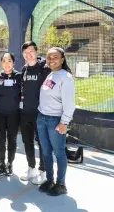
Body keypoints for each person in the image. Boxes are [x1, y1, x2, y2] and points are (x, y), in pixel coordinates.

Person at [37, 47, 75, 196]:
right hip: (42, 118)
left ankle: (61, 184)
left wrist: (64, 123)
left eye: (55, 57)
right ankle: (49, 180)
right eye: (49, 57)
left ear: (62, 59)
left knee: (59, 153)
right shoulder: (51, 74)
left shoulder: (66, 78)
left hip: (55, 121)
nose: (51, 60)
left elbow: (69, 104)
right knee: (46, 152)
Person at [19, 41, 50, 185]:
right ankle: (31, 168)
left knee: (43, 143)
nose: (28, 54)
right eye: (25, 53)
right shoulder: (24, 69)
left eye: (31, 51)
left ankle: (43, 171)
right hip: (25, 113)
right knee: (27, 141)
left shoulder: (45, 69)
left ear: (36, 51)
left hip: (41, 114)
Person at [0, 53, 21, 176]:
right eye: (4, 61)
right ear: (1, 63)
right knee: (0, 139)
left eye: (9, 60)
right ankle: (1, 163)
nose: (7, 63)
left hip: (14, 114)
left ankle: (10, 163)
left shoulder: (19, 76)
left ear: (13, 63)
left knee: (12, 140)